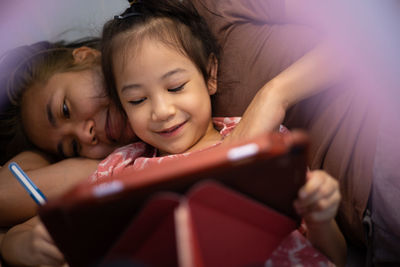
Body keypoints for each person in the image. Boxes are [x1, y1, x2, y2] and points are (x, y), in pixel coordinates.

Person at [91, 0, 346, 265]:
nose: (162, 111)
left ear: (210, 75)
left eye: (176, 87)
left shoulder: (264, 140)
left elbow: (334, 257)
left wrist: (321, 219)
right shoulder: (119, 169)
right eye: (137, 100)